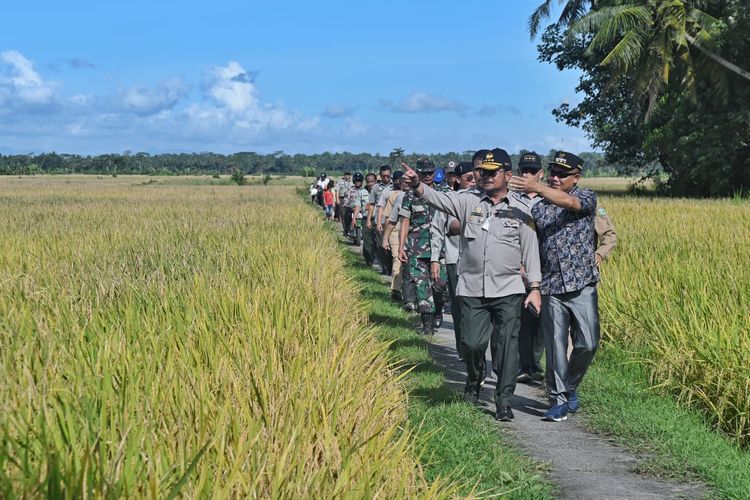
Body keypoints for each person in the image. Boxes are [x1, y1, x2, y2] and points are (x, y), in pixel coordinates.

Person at [403, 148, 542, 422]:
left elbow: (530, 250)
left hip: (508, 289)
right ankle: (475, 378)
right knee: (472, 343)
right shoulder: (467, 202)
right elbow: (438, 199)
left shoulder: (521, 209)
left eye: (493, 172)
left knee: (506, 347)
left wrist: (535, 287)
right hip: (471, 288)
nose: (486, 177)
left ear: (508, 175)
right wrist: (418, 185)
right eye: (483, 172)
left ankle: (503, 400)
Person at [508, 151, 600, 423]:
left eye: (563, 174)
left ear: (576, 177)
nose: (556, 177)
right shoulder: (538, 209)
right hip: (551, 285)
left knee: (588, 342)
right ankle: (558, 399)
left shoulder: (586, 197)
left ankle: (570, 385)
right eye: (553, 173)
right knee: (556, 346)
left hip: (582, 283)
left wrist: (537, 187)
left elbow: (569, 202)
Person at [430, 161, 475, 360]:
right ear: (457, 179)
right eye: (469, 178)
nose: (474, 182)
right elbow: (438, 230)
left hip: (478, 261)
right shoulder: (450, 200)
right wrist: (434, 259)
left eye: (476, 177)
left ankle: (476, 347)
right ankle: (462, 348)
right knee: (458, 307)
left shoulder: (484, 198)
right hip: (455, 259)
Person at [398, 158, 448, 334]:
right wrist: (401, 246)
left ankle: (438, 311)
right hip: (417, 248)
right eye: (424, 173)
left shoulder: (444, 192)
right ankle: (426, 325)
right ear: (418, 173)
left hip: (440, 249)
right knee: (421, 286)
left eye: (430, 173)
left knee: (440, 285)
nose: (427, 176)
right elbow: (405, 221)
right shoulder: (409, 195)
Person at [511, 152, 547, 383]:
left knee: (542, 320)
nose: (527, 175)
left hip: (546, 266)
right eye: (524, 170)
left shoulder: (549, 199)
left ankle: (535, 360)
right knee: (523, 319)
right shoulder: (512, 199)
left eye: (532, 171)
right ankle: (524, 363)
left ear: (540, 174)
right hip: (519, 267)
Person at [380, 171, 406, 300]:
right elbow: (389, 217)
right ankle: (396, 289)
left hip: (413, 233)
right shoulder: (394, 196)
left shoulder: (419, 195)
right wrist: (385, 236)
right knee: (397, 258)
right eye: (403, 181)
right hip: (396, 230)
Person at [368, 165, 393, 274]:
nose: (386, 178)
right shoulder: (376, 188)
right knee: (381, 246)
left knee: (392, 245)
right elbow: (372, 205)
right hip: (380, 220)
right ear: (380, 176)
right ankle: (385, 267)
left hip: (393, 220)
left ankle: (391, 267)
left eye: (388, 176)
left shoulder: (396, 186)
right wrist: (369, 219)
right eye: (384, 176)